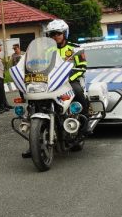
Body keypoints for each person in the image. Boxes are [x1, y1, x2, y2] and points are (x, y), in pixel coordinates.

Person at [22, 19, 88, 158]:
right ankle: (33, 142)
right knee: (32, 99)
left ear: (65, 34)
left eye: (58, 33)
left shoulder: (75, 48)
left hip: (70, 80)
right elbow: (38, 66)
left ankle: (83, 126)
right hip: (50, 82)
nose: (55, 36)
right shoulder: (47, 50)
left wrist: (69, 78)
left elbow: (82, 68)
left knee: (78, 93)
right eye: (52, 34)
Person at [0, 42, 13, 111]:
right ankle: (2, 105)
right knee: (0, 92)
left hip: (0, 74)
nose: (0, 47)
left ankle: (5, 104)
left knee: (2, 91)